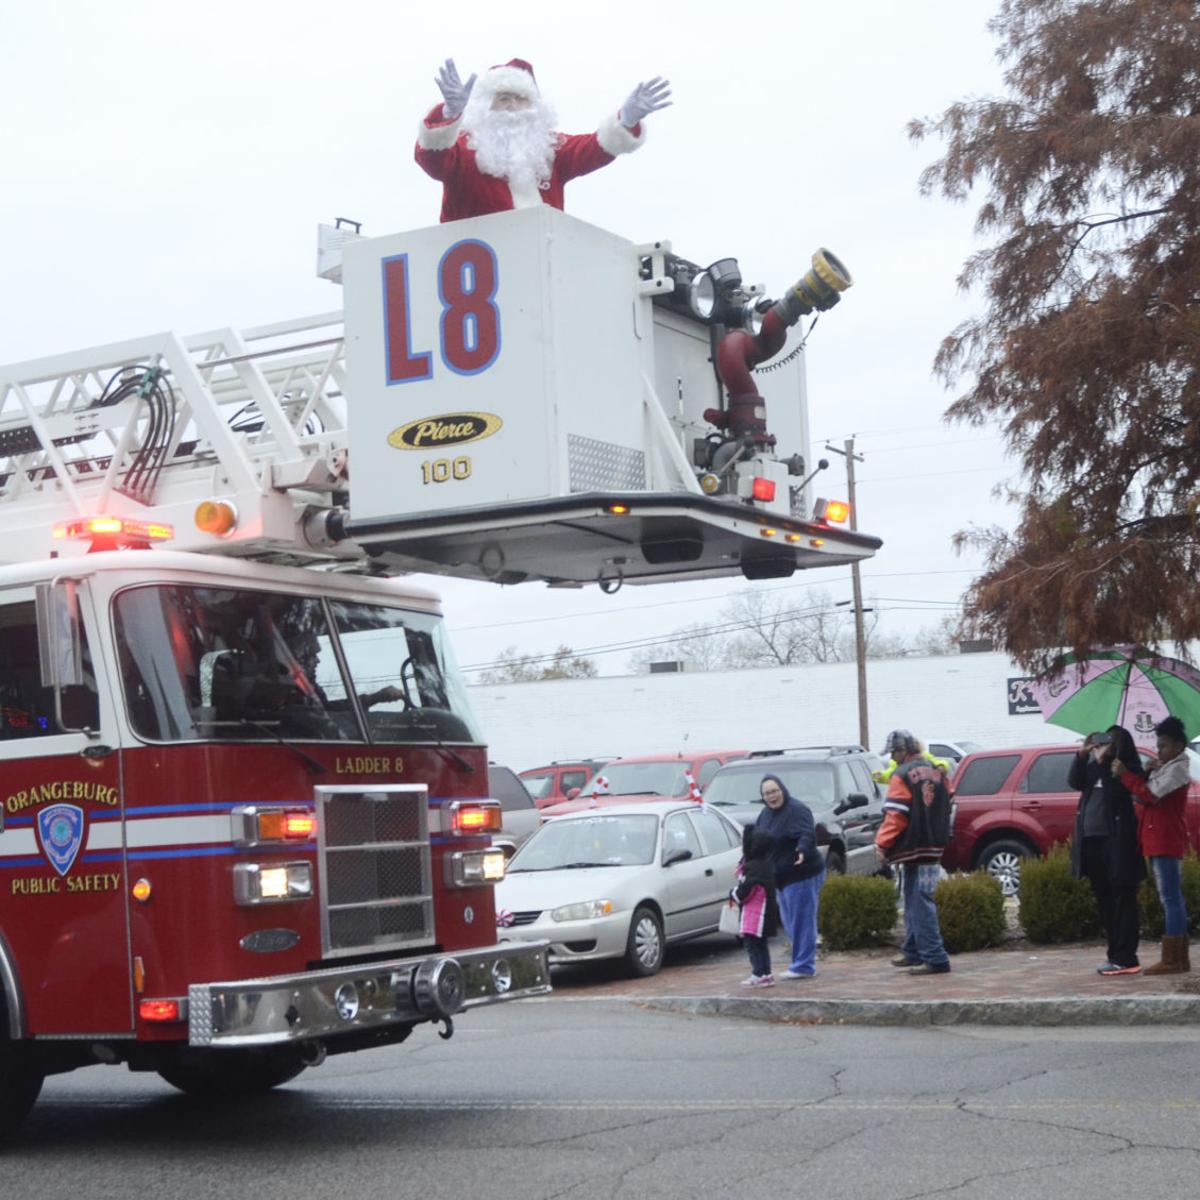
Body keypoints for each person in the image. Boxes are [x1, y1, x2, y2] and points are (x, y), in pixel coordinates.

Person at [415, 57, 671, 223]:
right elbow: (432, 158)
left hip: (542, 269)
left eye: (521, 98)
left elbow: (594, 147)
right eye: (503, 98)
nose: (513, 106)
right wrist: (449, 114)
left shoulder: (550, 149)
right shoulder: (464, 149)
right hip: (477, 272)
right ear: (485, 106)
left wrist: (625, 120)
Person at [1112, 715, 1191, 975]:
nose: (1160, 751)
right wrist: (1152, 769)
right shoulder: (1168, 766)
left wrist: (1125, 775)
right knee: (1169, 896)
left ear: (1179, 746)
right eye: (1158, 746)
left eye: (1164, 746)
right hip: (1157, 837)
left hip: (1166, 838)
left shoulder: (1178, 769)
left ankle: (1173, 959)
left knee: (1170, 897)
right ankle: (1178, 957)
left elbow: (1150, 795)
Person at [874, 728, 953, 976]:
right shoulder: (939, 772)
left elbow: (896, 815)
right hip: (934, 845)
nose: (892, 759)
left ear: (903, 750)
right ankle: (913, 951)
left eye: (894, 753)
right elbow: (949, 800)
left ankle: (935, 957)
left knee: (919, 903)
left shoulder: (901, 775)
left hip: (913, 847)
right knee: (914, 898)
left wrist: (882, 844)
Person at [1068, 725, 1145, 976]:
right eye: (1102, 741)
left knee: (1123, 896)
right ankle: (1114, 954)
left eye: (1109, 741)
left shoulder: (1125, 769)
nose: (1103, 745)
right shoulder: (1094, 767)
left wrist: (1104, 762)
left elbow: (1117, 793)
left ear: (1119, 745)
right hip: (1092, 841)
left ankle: (1126, 956)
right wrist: (1082, 755)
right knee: (1104, 899)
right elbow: (1075, 781)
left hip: (1117, 843)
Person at [753, 773, 824, 979]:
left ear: (782, 790)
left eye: (774, 791)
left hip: (802, 873)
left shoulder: (797, 809)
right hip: (780, 877)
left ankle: (803, 966)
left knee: (802, 920)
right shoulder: (765, 815)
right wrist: (746, 862)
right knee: (789, 921)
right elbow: (758, 842)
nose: (772, 796)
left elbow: (807, 833)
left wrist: (802, 850)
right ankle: (800, 961)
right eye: (767, 793)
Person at [733, 828, 780, 988]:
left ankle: (758, 973)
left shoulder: (752, 867)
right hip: (765, 912)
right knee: (761, 944)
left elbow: (747, 889)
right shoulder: (766, 864)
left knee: (752, 943)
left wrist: (734, 894)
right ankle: (766, 974)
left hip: (755, 914)